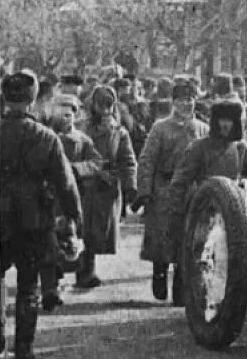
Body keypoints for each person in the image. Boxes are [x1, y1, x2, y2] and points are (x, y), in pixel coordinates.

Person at [0, 71, 82, 359]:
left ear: (5, 98)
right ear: (32, 100)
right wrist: (75, 217)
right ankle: (24, 347)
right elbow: (65, 183)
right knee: (28, 283)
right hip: (33, 219)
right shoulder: (47, 137)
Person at [132, 82, 207, 304]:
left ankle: (182, 285)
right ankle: (159, 272)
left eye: (190, 99)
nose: (187, 104)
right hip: (164, 188)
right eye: (182, 99)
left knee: (188, 238)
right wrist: (144, 191)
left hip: (191, 191)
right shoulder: (160, 128)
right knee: (163, 238)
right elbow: (147, 160)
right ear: (173, 102)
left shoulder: (202, 129)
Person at [166, 100, 247, 245]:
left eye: (230, 120)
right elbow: (180, 183)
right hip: (203, 213)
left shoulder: (244, 150)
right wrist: (177, 214)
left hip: (237, 215)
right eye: (221, 119)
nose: (225, 124)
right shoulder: (198, 148)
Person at [77, 85, 137, 289]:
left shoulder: (119, 132)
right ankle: (84, 270)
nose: (104, 110)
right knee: (83, 228)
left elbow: (128, 161)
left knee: (101, 230)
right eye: (100, 105)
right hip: (85, 185)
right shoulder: (81, 128)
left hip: (107, 187)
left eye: (108, 105)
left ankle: (87, 267)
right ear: (92, 105)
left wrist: (131, 188)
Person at [41, 94, 95, 312]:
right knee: (46, 242)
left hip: (72, 197)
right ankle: (49, 288)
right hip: (47, 198)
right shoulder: (44, 138)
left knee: (68, 243)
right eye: (61, 112)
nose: (66, 117)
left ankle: (65, 278)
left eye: (70, 112)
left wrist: (78, 169)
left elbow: (98, 163)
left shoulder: (83, 140)